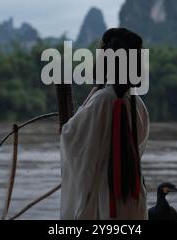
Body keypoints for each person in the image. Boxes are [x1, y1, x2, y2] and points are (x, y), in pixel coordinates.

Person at [60, 28, 150, 219]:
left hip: (104, 198)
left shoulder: (101, 101)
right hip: (132, 198)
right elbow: (137, 149)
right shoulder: (138, 104)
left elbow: (73, 140)